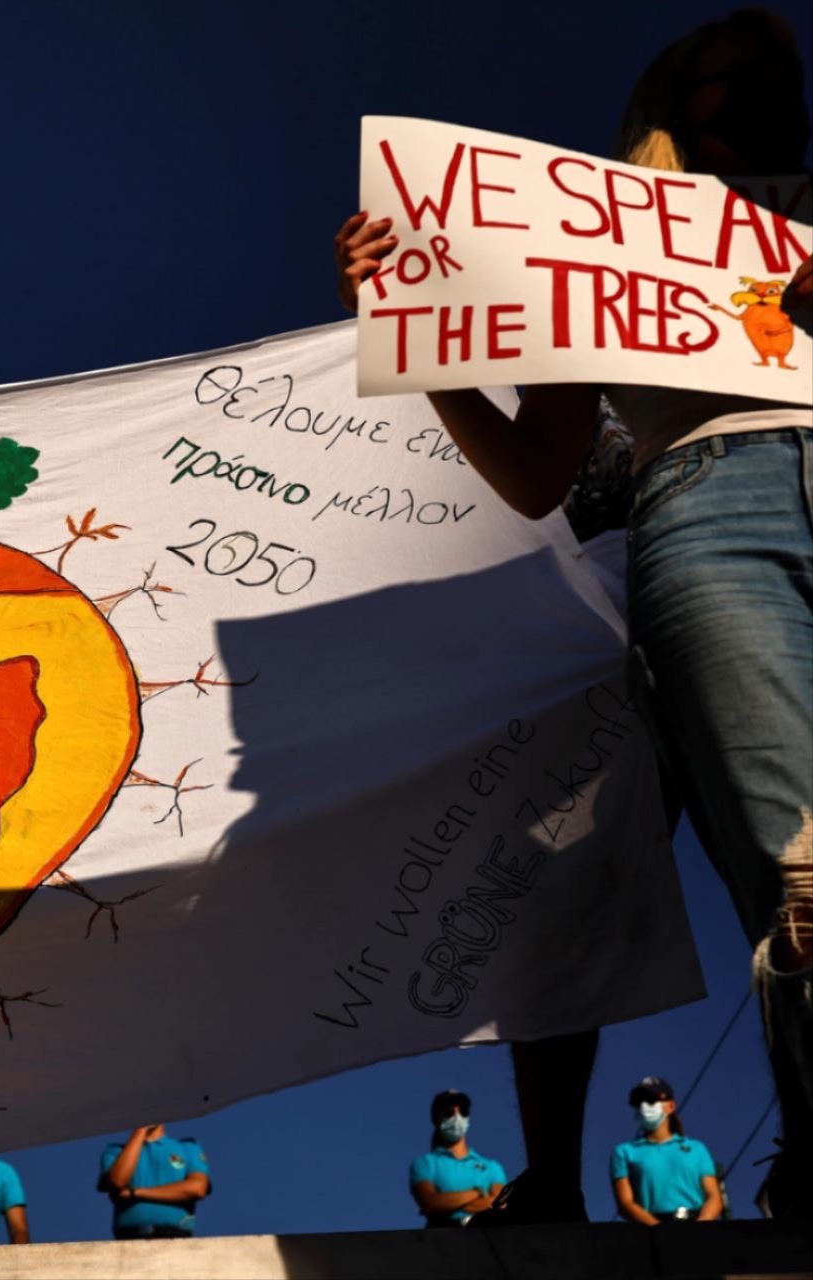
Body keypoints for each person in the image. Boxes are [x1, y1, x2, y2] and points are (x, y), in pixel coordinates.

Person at [334, 7, 813, 1220]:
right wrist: (411, 328)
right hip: (711, 500)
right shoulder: (589, 246)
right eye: (732, 82)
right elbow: (538, 471)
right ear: (671, 106)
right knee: (803, 876)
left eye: (781, 82)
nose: (766, 97)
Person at [612, 1076, 723, 1223]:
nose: (645, 1106)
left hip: (697, 1226)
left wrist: (700, 1228)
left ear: (670, 1106)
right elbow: (626, 1203)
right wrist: (659, 1232)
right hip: (651, 1232)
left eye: (651, 1100)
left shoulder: (696, 1148)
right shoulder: (624, 1152)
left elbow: (714, 1196)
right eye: (639, 1102)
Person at [409, 1090, 508, 1227]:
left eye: (463, 1112)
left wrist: (451, 1203)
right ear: (436, 1118)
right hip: (444, 1240)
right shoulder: (425, 1163)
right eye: (449, 1112)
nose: (457, 1117)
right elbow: (430, 1203)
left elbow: (501, 1205)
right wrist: (478, 1192)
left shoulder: (492, 1166)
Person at [97, 1124, 210, 1240]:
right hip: (129, 1238)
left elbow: (197, 1188)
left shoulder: (187, 1147)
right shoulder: (115, 1151)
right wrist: (140, 1131)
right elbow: (117, 1181)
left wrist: (134, 1193)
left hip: (175, 1236)